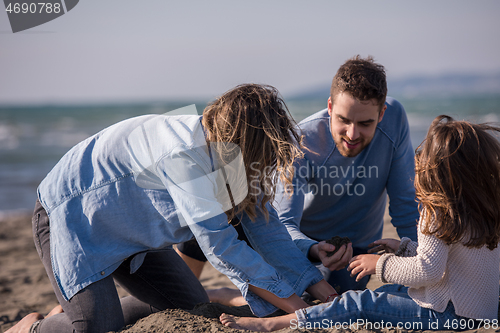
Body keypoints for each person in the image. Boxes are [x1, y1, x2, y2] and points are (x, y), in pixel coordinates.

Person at [7, 84, 337, 333]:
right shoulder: (185, 156)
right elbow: (223, 248)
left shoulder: (230, 151)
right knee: (96, 328)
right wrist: (296, 310)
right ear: (244, 141)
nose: (263, 165)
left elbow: (265, 225)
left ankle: (74, 309)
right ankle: (35, 327)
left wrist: (312, 283)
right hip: (71, 218)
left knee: (189, 305)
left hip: (131, 233)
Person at [219, 115, 500, 331]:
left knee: (358, 301)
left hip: (449, 316)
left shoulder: (438, 211)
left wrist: (378, 265)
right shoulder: (480, 208)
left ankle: (278, 323)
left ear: (436, 172)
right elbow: (450, 260)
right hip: (480, 312)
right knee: (391, 292)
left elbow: (427, 270)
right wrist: (403, 247)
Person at [176, 55, 419, 295]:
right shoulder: (302, 144)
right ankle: (193, 291)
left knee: (331, 294)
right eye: (343, 120)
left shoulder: (395, 119)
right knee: (219, 206)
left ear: (382, 114)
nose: (352, 134)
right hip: (303, 246)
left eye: (365, 123)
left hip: (356, 254)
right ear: (330, 107)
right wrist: (313, 248)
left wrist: (421, 262)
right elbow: (284, 224)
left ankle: (223, 296)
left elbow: (405, 204)